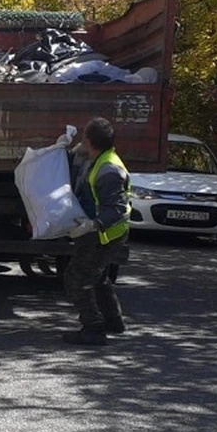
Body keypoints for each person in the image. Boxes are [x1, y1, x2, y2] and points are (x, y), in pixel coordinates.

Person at [63, 117, 129, 346]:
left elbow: (117, 208)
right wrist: (66, 148)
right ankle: (113, 321)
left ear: (90, 141)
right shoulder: (97, 158)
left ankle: (93, 328)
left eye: (83, 137)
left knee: (76, 278)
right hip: (104, 233)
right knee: (98, 276)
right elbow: (77, 160)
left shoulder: (108, 169)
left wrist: (93, 224)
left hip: (105, 234)